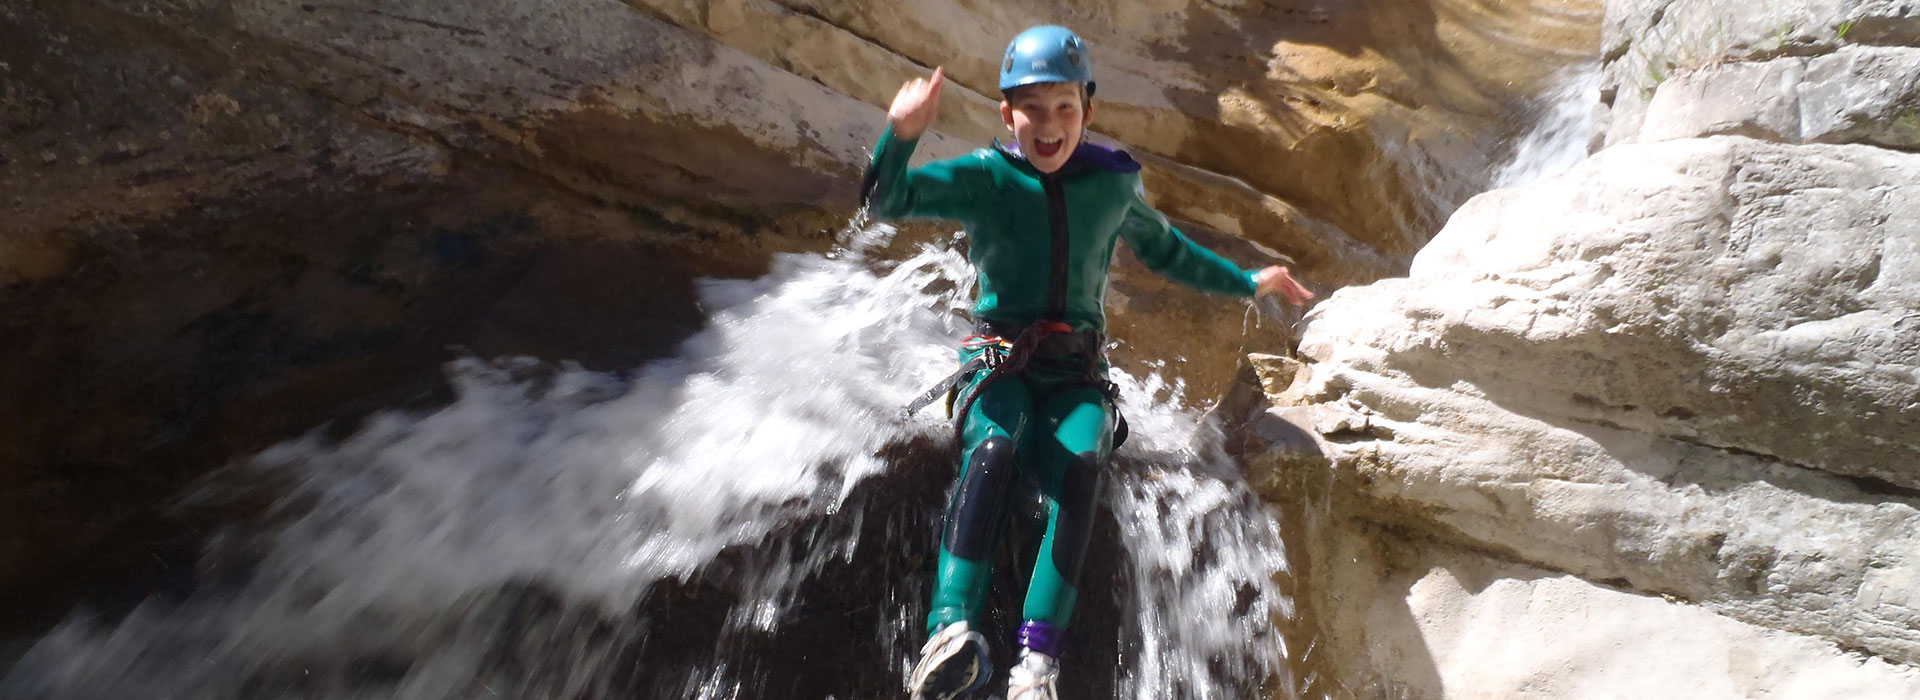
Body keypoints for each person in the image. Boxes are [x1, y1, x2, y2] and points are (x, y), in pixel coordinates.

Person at [864, 25, 1313, 700]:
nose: (1050, 125)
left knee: (1080, 462)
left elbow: (1169, 252)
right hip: (1000, 365)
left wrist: (1248, 283)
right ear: (1007, 115)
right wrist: (900, 134)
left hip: (1077, 376)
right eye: (1033, 109)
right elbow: (885, 200)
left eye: (1064, 108)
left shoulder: (1112, 186)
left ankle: (1037, 662)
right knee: (995, 446)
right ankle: (948, 631)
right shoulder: (983, 179)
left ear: (1088, 112)